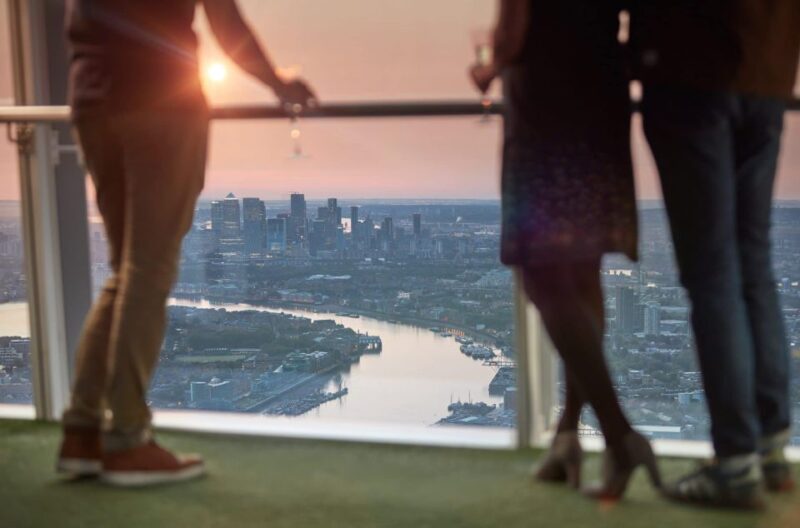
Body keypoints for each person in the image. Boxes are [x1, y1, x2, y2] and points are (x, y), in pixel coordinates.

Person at [56, 0, 316, 487]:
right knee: (148, 270)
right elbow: (226, 22)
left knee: (126, 271)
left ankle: (83, 430)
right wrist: (279, 84)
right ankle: (127, 440)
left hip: (92, 98)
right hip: (158, 99)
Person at [470, 0, 661, 499]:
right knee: (581, 271)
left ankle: (620, 436)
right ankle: (566, 437)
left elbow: (515, 23)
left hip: (545, 101)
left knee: (542, 275)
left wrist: (489, 67)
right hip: (600, 91)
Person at [630, 0, 800, 509]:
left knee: (713, 274)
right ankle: (769, 448)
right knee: (752, 262)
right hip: (766, 71)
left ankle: (735, 463)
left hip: (692, 69)